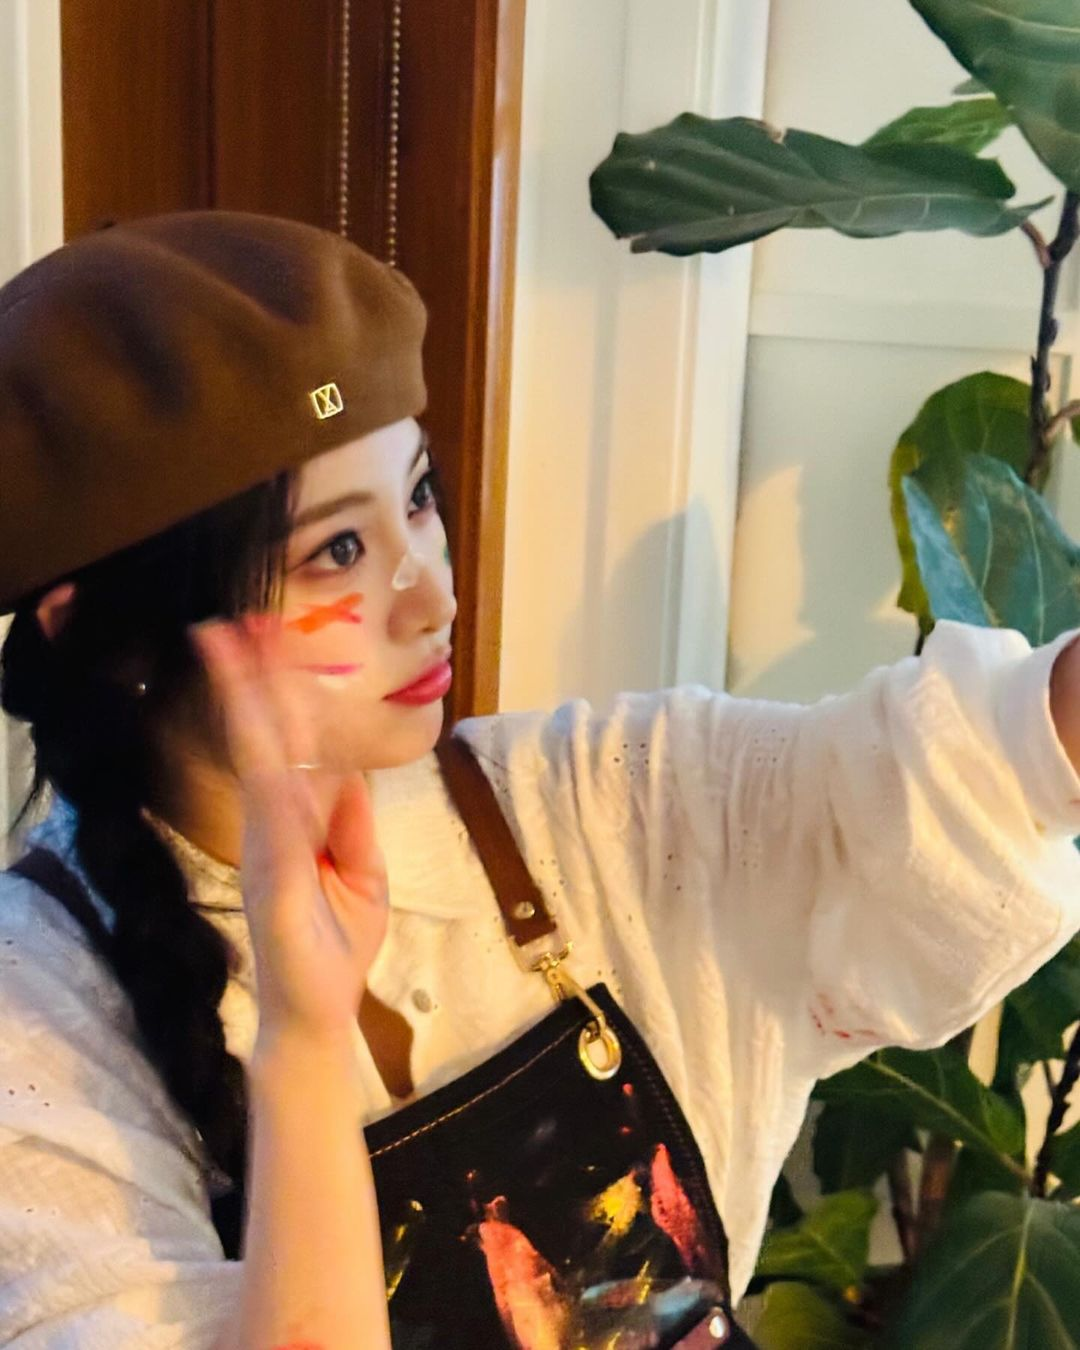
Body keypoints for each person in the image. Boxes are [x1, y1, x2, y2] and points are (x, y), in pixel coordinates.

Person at [1, 211, 1080, 1350]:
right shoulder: (36, 1033)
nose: (432, 596)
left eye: (417, 498)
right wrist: (304, 1047)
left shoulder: (583, 803)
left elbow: (947, 775)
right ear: (114, 641)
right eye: (338, 552)